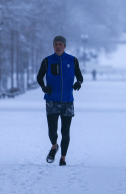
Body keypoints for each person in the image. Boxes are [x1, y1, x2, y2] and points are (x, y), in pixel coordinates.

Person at [36, 36, 83, 166]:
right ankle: (54, 146)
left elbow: (79, 76)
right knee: (52, 130)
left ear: (64, 46)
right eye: (55, 44)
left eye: (60, 44)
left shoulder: (72, 60)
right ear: (53, 46)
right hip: (51, 100)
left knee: (65, 131)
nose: (58, 46)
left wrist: (78, 82)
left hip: (67, 101)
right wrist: (43, 87)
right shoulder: (47, 61)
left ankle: (63, 158)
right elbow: (39, 77)